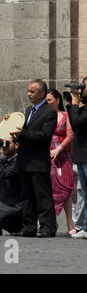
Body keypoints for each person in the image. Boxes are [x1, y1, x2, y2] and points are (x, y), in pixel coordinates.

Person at [9, 79, 58, 238]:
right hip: (25, 160)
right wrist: (9, 124)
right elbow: (22, 132)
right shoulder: (29, 110)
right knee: (27, 196)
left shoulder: (49, 112)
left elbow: (44, 136)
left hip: (38, 161)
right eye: (28, 91)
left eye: (32, 92)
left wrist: (22, 134)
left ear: (42, 94)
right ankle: (29, 227)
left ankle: (48, 227)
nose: (28, 94)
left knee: (43, 196)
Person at [46, 89, 76, 234]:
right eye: (45, 100)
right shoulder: (44, 116)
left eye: (50, 100)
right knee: (50, 189)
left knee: (66, 188)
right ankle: (54, 222)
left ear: (58, 100)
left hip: (63, 156)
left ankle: (70, 223)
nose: (47, 102)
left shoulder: (64, 115)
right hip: (47, 156)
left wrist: (59, 150)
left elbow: (70, 135)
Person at [68, 77, 87, 239]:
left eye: (84, 87)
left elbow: (76, 121)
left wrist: (75, 103)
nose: (82, 90)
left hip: (86, 156)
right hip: (81, 156)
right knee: (85, 193)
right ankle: (86, 227)